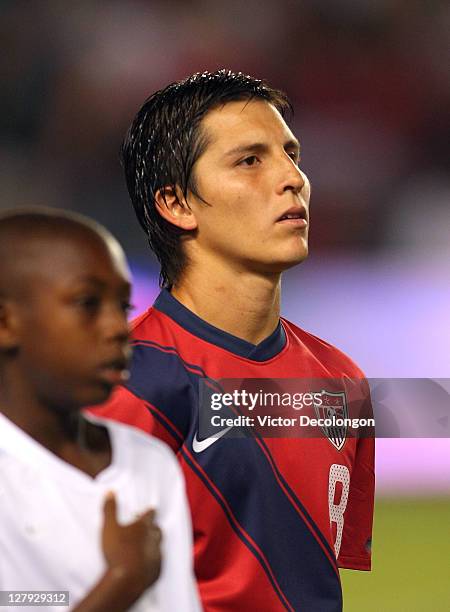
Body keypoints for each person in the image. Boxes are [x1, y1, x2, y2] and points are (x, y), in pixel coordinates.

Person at [93, 70, 375, 612]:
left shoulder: (343, 382)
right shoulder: (123, 385)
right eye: (250, 160)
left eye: (290, 154)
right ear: (176, 203)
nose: (292, 178)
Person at [0, 208, 201, 612]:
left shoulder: (150, 462)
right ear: (5, 323)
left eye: (122, 306)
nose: (117, 328)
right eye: (87, 302)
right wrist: (122, 582)